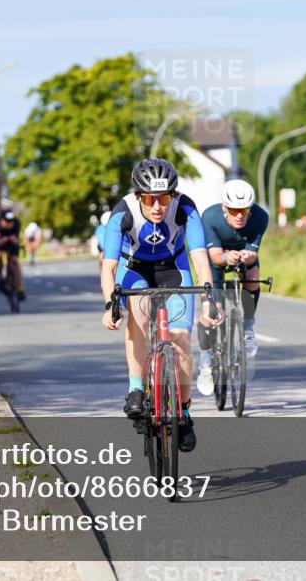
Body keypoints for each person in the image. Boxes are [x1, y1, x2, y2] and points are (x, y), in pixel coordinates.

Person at [100, 158, 222, 453]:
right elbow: (108, 267)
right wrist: (110, 305)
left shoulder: (185, 209)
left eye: (164, 197)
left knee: (181, 342)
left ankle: (184, 411)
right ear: (139, 195)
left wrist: (209, 302)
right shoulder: (122, 214)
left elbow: (200, 259)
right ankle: (136, 389)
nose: (158, 206)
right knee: (138, 318)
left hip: (174, 269)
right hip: (136, 270)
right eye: (151, 199)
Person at [196, 179, 269, 396]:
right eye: (234, 210)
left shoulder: (260, 217)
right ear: (224, 208)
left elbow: (254, 254)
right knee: (212, 312)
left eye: (244, 210)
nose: (240, 215)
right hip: (216, 259)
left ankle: (247, 328)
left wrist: (246, 257)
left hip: (242, 256)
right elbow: (216, 258)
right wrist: (227, 256)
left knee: (254, 275)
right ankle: (205, 365)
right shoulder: (210, 217)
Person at [0, 209, 25, 301]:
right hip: (0, 243)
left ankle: (20, 288)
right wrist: (6, 239)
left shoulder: (16, 224)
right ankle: (0, 276)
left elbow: (16, 239)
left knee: (15, 261)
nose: (10, 224)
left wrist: (14, 240)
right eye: (7, 222)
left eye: (11, 222)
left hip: (11, 244)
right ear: (2, 220)